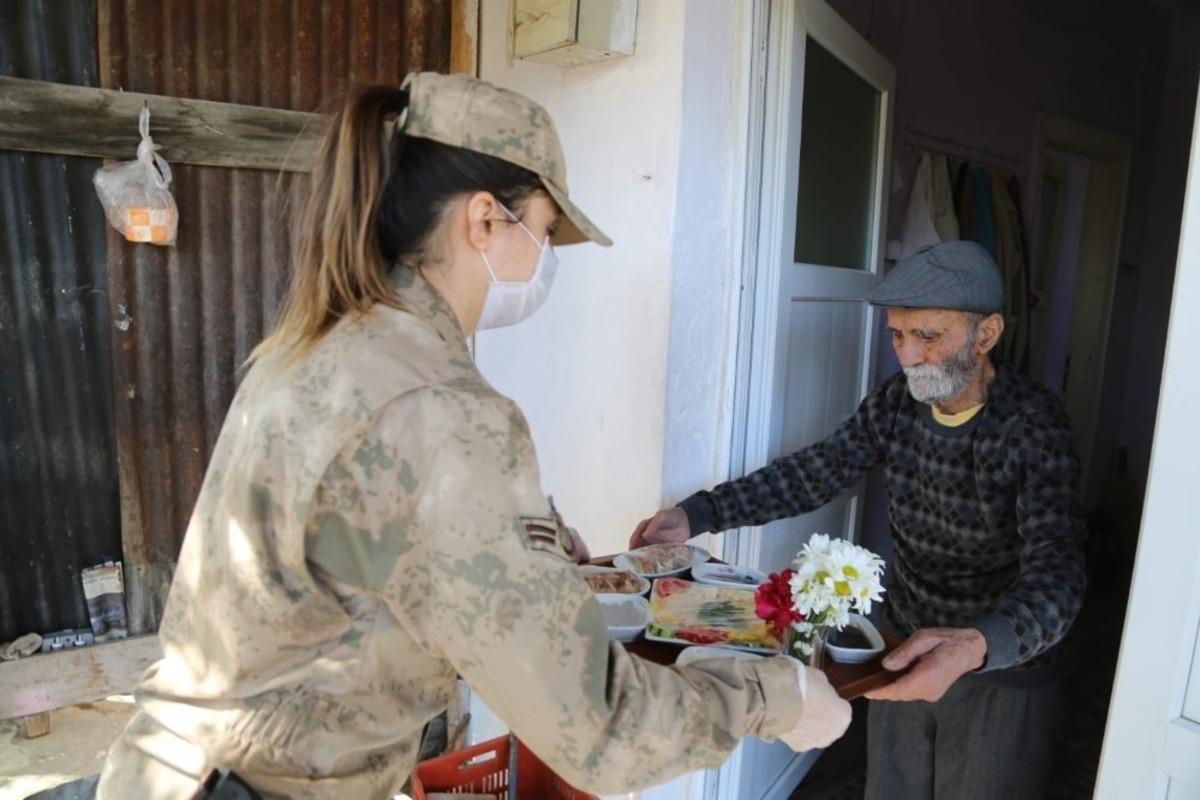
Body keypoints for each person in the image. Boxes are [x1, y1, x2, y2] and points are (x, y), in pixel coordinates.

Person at [95, 73, 851, 800]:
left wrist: (540, 542)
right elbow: (601, 732)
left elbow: (375, 532)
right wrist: (776, 695)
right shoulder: (442, 410)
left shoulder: (325, 344)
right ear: (486, 218)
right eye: (546, 232)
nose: (546, 260)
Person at [631, 241, 1087, 800]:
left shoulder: (1034, 427)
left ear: (986, 334)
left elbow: (1059, 571)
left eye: (927, 335)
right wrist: (696, 513)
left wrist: (977, 645)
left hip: (1004, 662)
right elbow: (816, 471)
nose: (907, 354)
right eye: (898, 334)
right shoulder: (897, 403)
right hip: (904, 637)